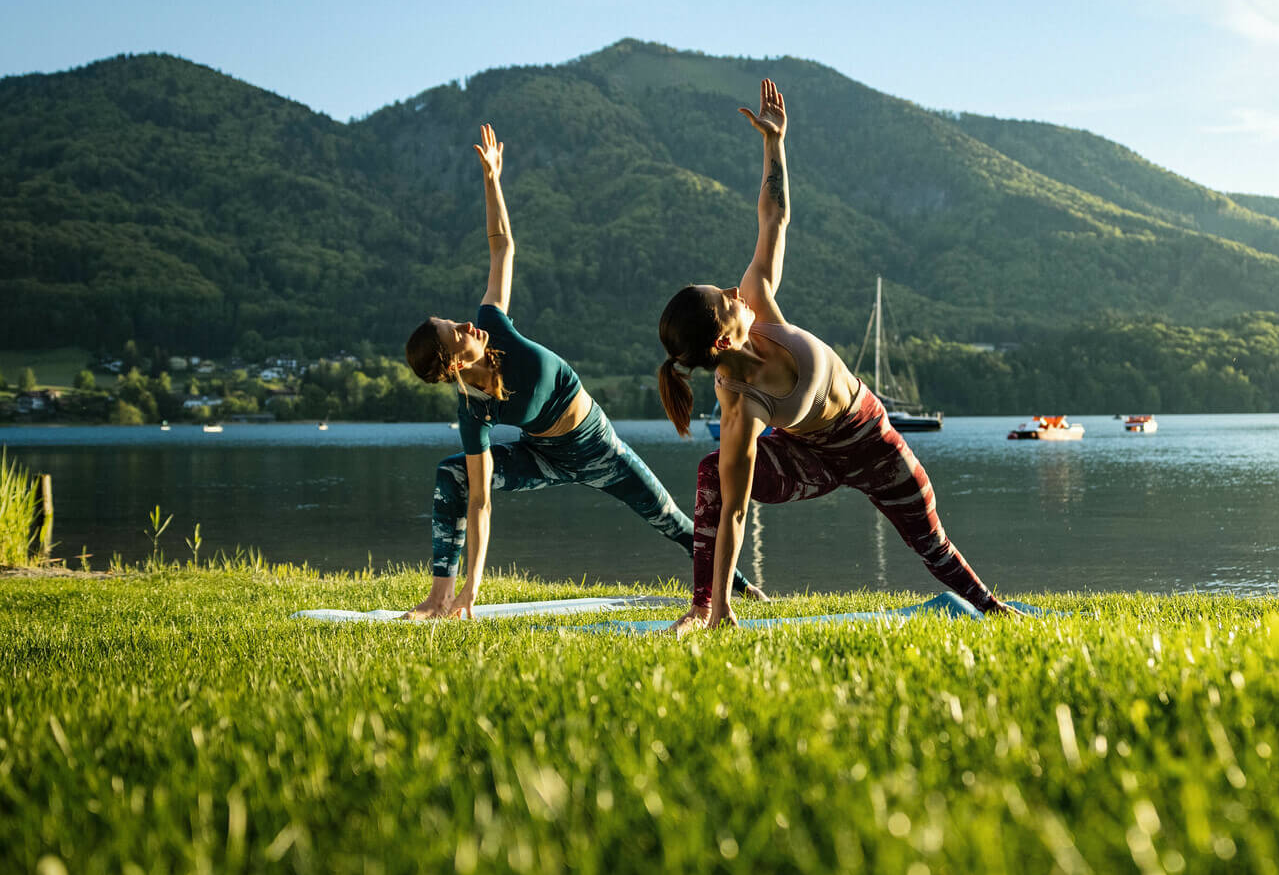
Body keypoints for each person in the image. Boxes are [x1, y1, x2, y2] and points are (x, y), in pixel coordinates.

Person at [656, 79, 1017, 630]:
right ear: (722, 342)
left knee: (931, 540)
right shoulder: (740, 407)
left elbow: (773, 219)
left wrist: (774, 143)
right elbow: (735, 510)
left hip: (871, 438)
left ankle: (993, 609)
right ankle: (704, 607)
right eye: (725, 301)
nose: (733, 291)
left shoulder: (757, 301)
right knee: (715, 474)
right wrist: (722, 606)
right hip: (810, 460)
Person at [401, 124, 761, 618]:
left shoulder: (493, 324)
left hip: (597, 445)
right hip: (543, 456)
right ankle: (442, 598)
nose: (466, 323)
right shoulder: (474, 412)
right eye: (454, 332)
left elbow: (502, 247)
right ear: (456, 363)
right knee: (452, 475)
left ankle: (744, 588)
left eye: (455, 321)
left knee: (671, 519)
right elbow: (481, 502)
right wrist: (472, 591)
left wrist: (492, 179)